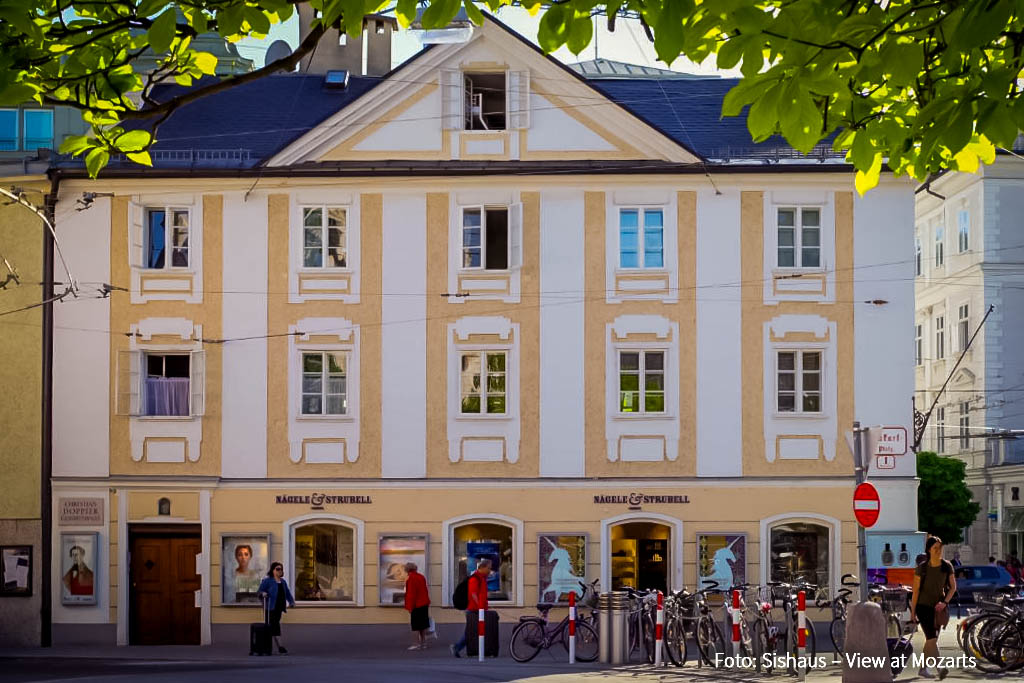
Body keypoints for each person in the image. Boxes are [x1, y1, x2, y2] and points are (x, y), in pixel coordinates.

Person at [911, 535, 956, 680]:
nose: (938, 551)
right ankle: (940, 667)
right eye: (935, 548)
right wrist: (912, 613)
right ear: (929, 550)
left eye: (940, 548)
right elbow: (915, 591)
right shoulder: (922, 568)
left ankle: (923, 669)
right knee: (931, 637)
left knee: (932, 640)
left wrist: (945, 603)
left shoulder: (946, 566)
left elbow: (953, 587)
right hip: (923, 607)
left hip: (938, 608)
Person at [450, 558, 491, 658]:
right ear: (482, 567)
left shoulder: (482, 578)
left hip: (480, 609)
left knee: (476, 630)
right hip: (473, 609)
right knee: (471, 631)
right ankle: (457, 647)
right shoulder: (475, 578)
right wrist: (480, 607)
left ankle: (482, 650)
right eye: (488, 568)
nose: (490, 570)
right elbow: (473, 594)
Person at [257, 562, 296, 655]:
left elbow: (287, 592)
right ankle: (280, 647)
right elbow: (259, 591)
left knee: (273, 626)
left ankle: (266, 647)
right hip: (270, 607)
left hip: (279, 607)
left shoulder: (282, 582)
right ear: (273, 570)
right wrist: (263, 594)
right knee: (274, 626)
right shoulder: (268, 581)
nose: (280, 571)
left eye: (281, 569)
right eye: (277, 569)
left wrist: (291, 601)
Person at [403, 562, 431, 650]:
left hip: (416, 605)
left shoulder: (411, 578)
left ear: (408, 570)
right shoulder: (421, 577)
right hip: (424, 604)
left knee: (415, 626)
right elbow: (425, 590)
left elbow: (411, 594)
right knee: (423, 625)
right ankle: (424, 643)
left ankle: (416, 644)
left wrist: (410, 607)